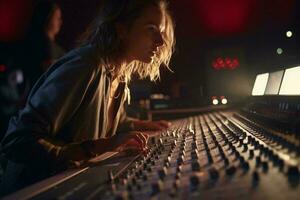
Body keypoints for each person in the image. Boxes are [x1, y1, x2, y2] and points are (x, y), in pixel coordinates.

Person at [0, 0, 175, 196]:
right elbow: (17, 141)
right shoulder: (86, 66)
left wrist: (138, 124)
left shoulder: (119, 76)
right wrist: (106, 144)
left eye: (160, 30)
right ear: (122, 29)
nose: (161, 41)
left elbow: (103, 120)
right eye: (151, 28)